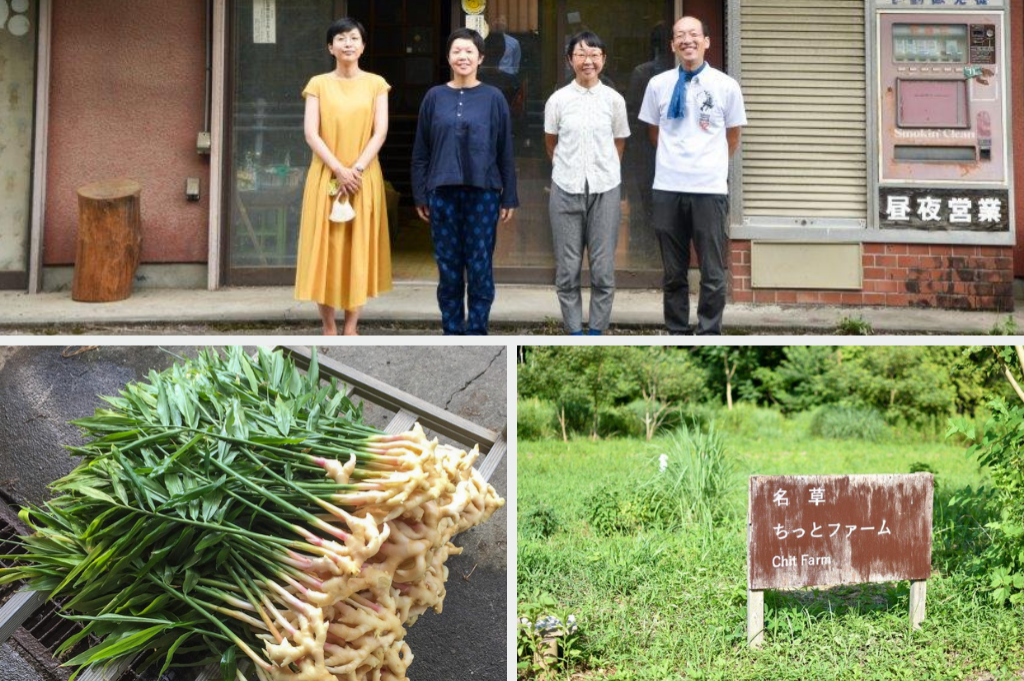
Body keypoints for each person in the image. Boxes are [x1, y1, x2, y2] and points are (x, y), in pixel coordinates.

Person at [639, 16, 746, 335]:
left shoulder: (726, 86)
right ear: (672, 44)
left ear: (706, 41)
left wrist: (709, 164)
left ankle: (709, 331)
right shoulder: (657, 84)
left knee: (712, 271)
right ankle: (676, 331)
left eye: (694, 34)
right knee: (673, 271)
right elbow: (654, 133)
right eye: (680, 35)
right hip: (667, 187)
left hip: (709, 189)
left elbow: (733, 137)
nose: (687, 40)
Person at [411, 27, 518, 335]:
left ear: (480, 58)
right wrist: (420, 194)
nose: (463, 57)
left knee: (480, 265)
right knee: (448, 267)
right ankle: (452, 329)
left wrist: (509, 195)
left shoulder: (494, 97)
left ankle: (478, 330)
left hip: (483, 193)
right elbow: (421, 152)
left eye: (469, 51)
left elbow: (505, 150)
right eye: (456, 51)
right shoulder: (434, 97)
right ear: (448, 57)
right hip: (442, 192)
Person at [294, 18, 391, 336]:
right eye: (340, 38)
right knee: (324, 249)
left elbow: (380, 132)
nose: (347, 43)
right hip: (326, 175)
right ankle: (328, 326)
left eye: (353, 38)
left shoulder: (377, 84)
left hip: (363, 177)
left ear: (363, 46)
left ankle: (351, 326)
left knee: (357, 249)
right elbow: (311, 133)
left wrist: (356, 170)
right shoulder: (318, 84)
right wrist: (338, 169)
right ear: (330, 47)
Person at [544, 31, 629, 335]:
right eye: (581, 54)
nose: (588, 61)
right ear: (570, 60)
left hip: (605, 189)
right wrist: (567, 169)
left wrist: (605, 170)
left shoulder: (614, 101)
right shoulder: (558, 100)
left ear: (603, 59)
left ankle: (596, 332)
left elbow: (619, 141)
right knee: (567, 270)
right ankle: (574, 332)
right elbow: (551, 143)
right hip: (565, 189)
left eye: (594, 54)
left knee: (603, 269)